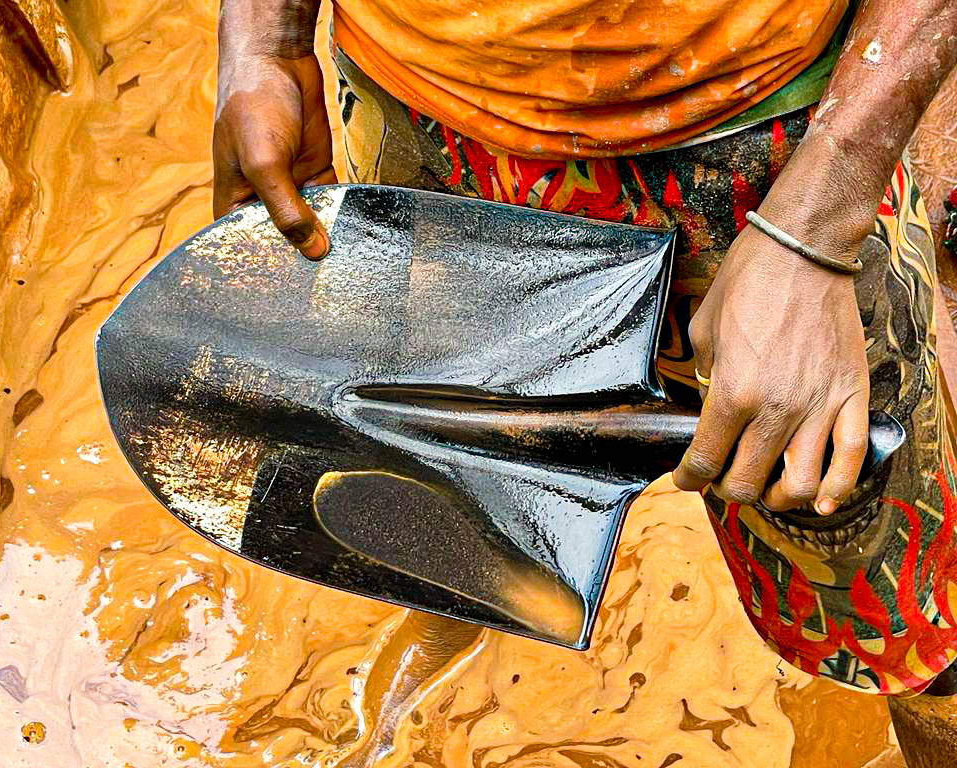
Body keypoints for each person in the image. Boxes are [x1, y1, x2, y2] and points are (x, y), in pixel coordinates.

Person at [212, 0, 957, 695]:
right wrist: (266, 40)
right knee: (462, 502)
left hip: (767, 138)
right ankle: (464, 614)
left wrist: (817, 230)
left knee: (894, 609)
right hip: (409, 111)